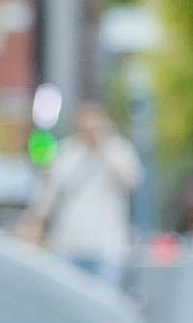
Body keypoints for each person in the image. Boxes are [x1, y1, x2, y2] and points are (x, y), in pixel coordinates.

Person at [19, 102, 142, 288]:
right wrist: (31, 228)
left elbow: (129, 181)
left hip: (106, 248)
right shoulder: (68, 152)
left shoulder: (117, 150)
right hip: (68, 245)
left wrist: (102, 147)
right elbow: (48, 196)